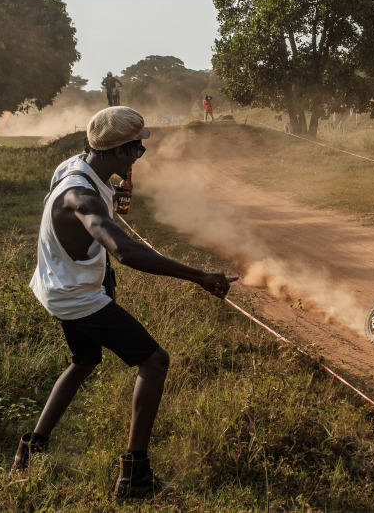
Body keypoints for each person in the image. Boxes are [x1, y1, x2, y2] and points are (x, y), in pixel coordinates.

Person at [13, 106, 235, 500]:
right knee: (155, 361)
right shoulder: (81, 196)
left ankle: (29, 452)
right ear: (118, 151)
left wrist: (114, 194)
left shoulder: (77, 167)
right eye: (137, 149)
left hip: (56, 283)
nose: (139, 156)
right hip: (76, 296)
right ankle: (134, 479)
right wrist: (199, 276)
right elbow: (125, 251)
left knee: (85, 360)